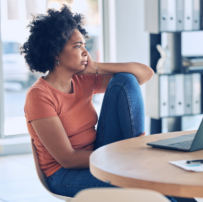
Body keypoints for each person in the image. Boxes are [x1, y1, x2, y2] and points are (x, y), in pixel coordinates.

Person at [22, 5, 178, 202]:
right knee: (145, 185)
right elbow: (68, 159)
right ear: (55, 53)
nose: (85, 52)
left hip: (99, 153)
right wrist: (121, 159)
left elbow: (144, 74)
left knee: (125, 79)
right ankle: (137, 159)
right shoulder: (39, 96)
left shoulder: (82, 79)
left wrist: (97, 68)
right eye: (78, 46)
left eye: (85, 45)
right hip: (64, 174)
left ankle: (137, 153)